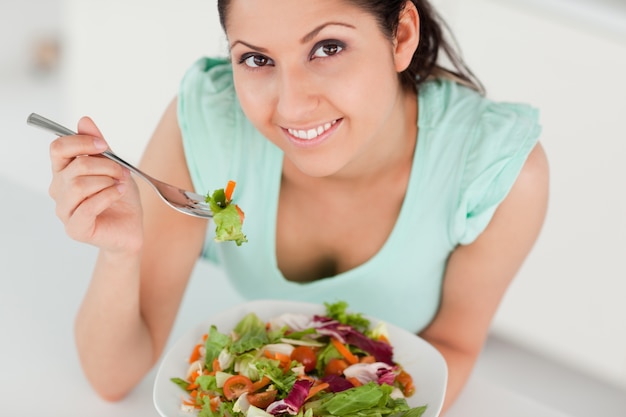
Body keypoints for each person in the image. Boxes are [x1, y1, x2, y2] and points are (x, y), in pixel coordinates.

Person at [47, 0, 549, 413]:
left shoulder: (497, 170)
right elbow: (113, 378)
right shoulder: (209, 122)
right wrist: (119, 253)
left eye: (327, 48)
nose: (290, 106)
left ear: (400, 35)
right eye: (257, 59)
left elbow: (452, 349)